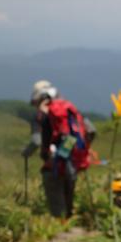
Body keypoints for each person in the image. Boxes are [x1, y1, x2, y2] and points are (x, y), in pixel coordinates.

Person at [21, 80, 94, 219]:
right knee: (69, 203)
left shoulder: (41, 116)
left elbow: (37, 141)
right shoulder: (69, 109)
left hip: (53, 166)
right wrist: (80, 153)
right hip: (73, 163)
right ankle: (70, 225)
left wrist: (26, 153)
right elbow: (91, 131)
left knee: (57, 208)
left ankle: (60, 230)